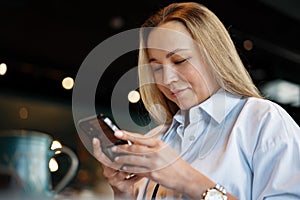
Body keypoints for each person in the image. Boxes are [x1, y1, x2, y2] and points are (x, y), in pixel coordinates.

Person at [92, 2, 300, 199]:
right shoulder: (157, 138)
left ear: (214, 55)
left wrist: (188, 181)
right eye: (156, 67)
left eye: (179, 61)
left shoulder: (262, 121)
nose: (166, 79)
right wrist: (124, 194)